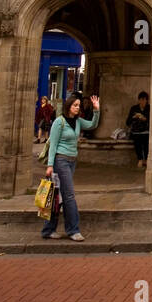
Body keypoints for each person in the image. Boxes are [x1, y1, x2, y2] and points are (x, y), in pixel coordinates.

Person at [42, 94, 100, 240]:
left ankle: (48, 229)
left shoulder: (78, 121)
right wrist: (49, 165)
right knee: (69, 195)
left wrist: (96, 110)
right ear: (68, 106)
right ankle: (73, 230)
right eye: (75, 105)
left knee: (58, 196)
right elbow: (53, 145)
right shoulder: (59, 122)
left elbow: (92, 124)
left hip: (72, 161)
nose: (77, 108)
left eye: (79, 106)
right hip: (60, 161)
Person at [126, 91, 150, 167]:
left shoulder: (149, 108)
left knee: (146, 142)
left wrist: (144, 119)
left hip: (146, 131)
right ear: (138, 100)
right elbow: (127, 122)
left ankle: (146, 159)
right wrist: (134, 117)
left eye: (144, 100)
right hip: (136, 131)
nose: (142, 102)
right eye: (141, 100)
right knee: (137, 142)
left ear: (147, 100)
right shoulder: (134, 108)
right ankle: (140, 159)